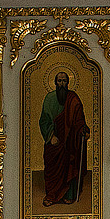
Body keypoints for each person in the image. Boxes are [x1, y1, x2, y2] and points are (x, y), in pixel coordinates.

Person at [39, 71, 90, 206]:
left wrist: (84, 130)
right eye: (59, 81)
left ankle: (69, 194)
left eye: (64, 81)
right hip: (54, 141)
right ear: (55, 83)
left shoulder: (73, 99)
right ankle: (51, 195)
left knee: (70, 164)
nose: (62, 84)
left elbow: (79, 120)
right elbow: (44, 121)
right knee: (52, 168)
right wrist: (51, 136)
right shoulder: (49, 99)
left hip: (70, 141)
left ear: (68, 83)